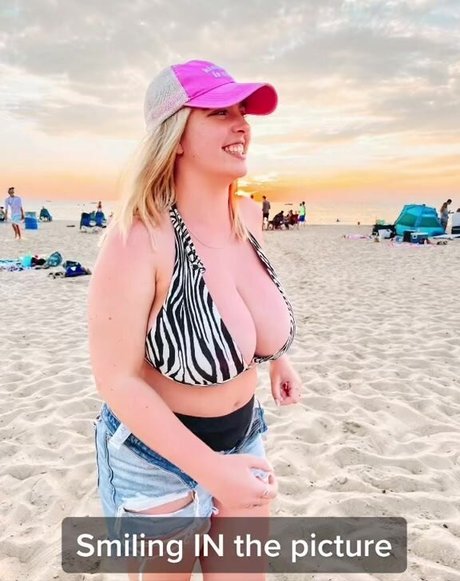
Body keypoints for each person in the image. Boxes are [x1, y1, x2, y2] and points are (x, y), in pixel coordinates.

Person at [88, 59, 300, 580]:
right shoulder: (139, 238)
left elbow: (241, 304)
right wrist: (213, 473)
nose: (242, 124)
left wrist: (277, 357)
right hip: (156, 459)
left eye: (242, 111)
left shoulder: (248, 216)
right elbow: (116, 379)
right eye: (219, 112)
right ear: (176, 135)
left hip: (244, 437)